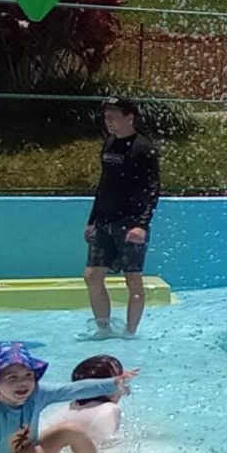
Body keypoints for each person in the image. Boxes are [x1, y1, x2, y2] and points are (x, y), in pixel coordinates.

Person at [0, 341, 133, 453]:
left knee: (70, 430)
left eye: (28, 375)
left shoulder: (37, 394)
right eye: (12, 378)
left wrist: (113, 383)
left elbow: (72, 390)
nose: (22, 383)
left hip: (28, 450)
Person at [84, 97, 159, 339]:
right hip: (104, 221)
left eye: (113, 117)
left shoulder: (143, 148)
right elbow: (103, 185)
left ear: (129, 117)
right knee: (92, 276)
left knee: (133, 280)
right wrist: (92, 220)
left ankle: (130, 333)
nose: (108, 121)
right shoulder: (109, 144)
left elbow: (152, 189)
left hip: (130, 223)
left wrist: (142, 225)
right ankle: (103, 330)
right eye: (106, 117)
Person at [49, 353, 131, 446]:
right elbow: (109, 448)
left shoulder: (70, 407)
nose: (126, 379)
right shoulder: (108, 410)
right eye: (120, 377)